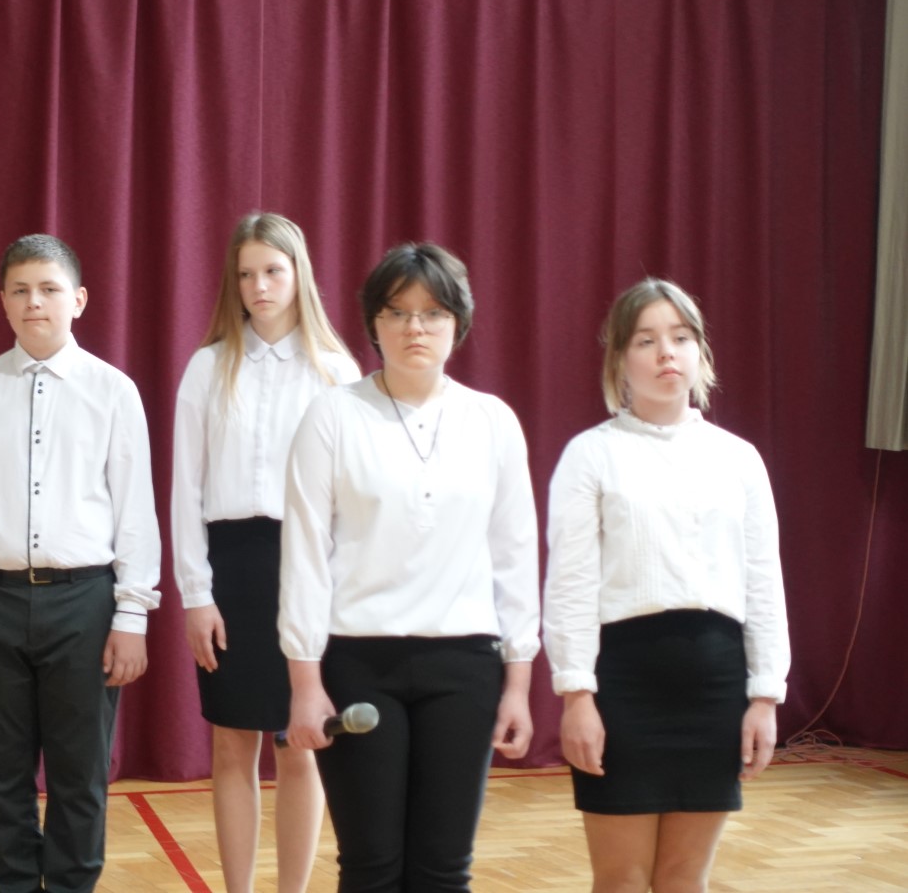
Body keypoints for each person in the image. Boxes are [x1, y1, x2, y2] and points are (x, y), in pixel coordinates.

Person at [280, 241, 539, 893]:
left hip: (466, 665)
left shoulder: (492, 421)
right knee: (370, 867)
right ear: (374, 323)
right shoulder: (332, 415)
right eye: (397, 312)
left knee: (443, 869)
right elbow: (305, 555)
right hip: (358, 661)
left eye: (432, 313)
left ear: (458, 322)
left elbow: (515, 557)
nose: (414, 328)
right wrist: (305, 684)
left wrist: (517, 684)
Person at [0, 233, 162, 893]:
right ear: (2, 301)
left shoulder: (113, 392)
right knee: (1, 776)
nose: (35, 302)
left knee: (79, 776)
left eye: (50, 289)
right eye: (21, 290)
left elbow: (135, 512)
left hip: (84, 604)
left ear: (78, 300)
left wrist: (132, 616)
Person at [542, 278, 789, 893]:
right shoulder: (590, 455)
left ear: (700, 351)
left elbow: (764, 582)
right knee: (621, 879)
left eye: (680, 338)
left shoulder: (739, 458)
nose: (666, 353)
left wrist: (765, 695)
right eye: (646, 340)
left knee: (684, 878)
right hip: (623, 684)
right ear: (620, 359)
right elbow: (570, 587)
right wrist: (576, 694)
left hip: (715, 684)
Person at [171, 212, 359, 893]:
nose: (259, 286)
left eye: (273, 271)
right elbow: (186, 490)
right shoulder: (208, 367)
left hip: (307, 566)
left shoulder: (335, 371)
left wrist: (338, 591)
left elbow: (349, 498)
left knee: (301, 741)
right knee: (232, 742)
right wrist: (197, 594)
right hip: (231, 566)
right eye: (246, 274)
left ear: (298, 273)